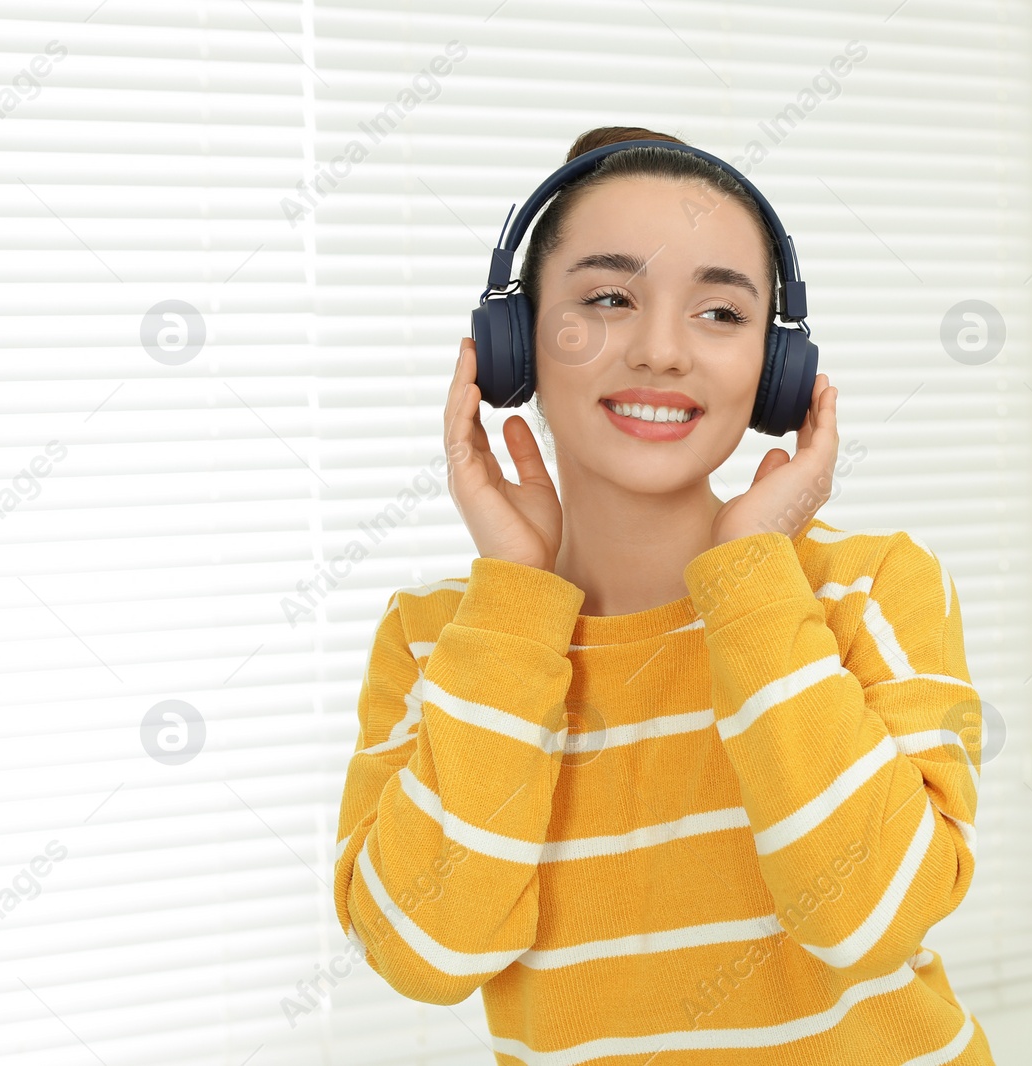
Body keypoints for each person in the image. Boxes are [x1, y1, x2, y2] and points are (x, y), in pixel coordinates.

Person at [332, 125, 996, 1065]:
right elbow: (427, 955)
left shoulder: (869, 588)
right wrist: (518, 599)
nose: (662, 351)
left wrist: (751, 578)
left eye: (720, 313)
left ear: (776, 368)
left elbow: (866, 918)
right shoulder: (441, 640)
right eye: (607, 298)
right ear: (512, 344)